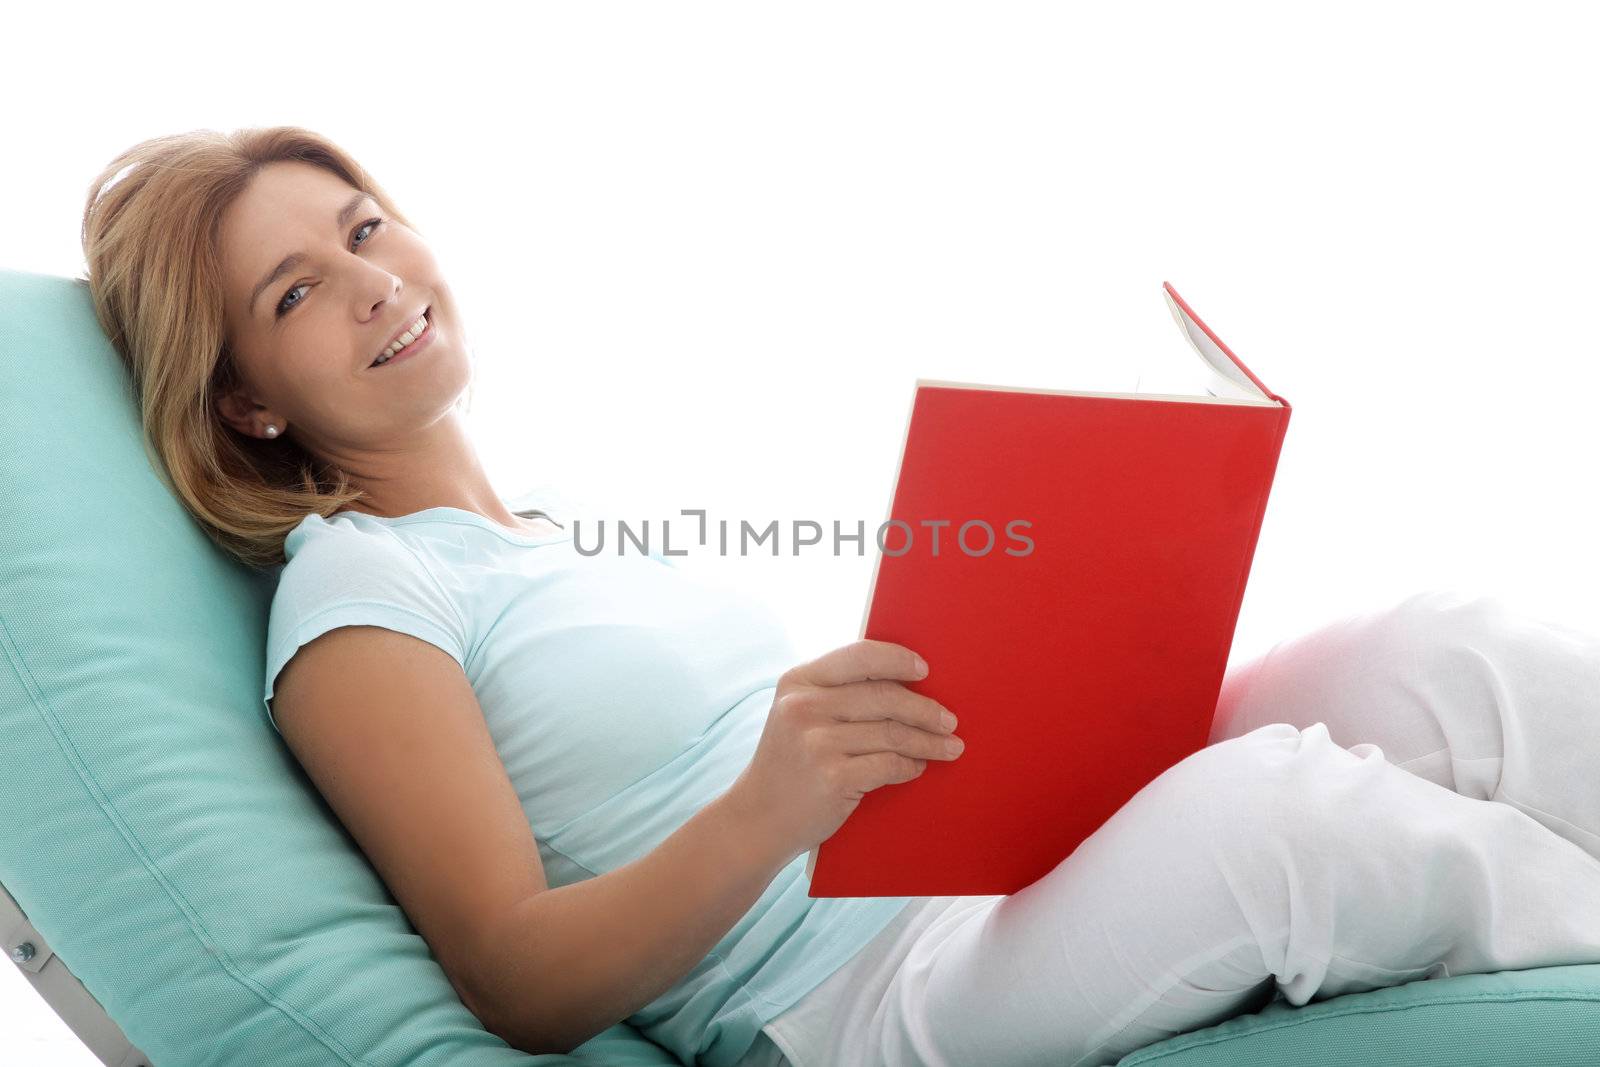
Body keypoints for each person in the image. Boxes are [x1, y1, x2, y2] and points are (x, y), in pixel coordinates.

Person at [79, 127, 1600, 1067]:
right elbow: (517, 981)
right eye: (293, 295)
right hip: (855, 1005)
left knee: (1439, 654)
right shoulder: (358, 601)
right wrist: (767, 805)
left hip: (967, 868)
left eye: (360, 228)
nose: (369, 282)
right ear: (250, 405)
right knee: (1290, 819)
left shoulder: (558, 535)